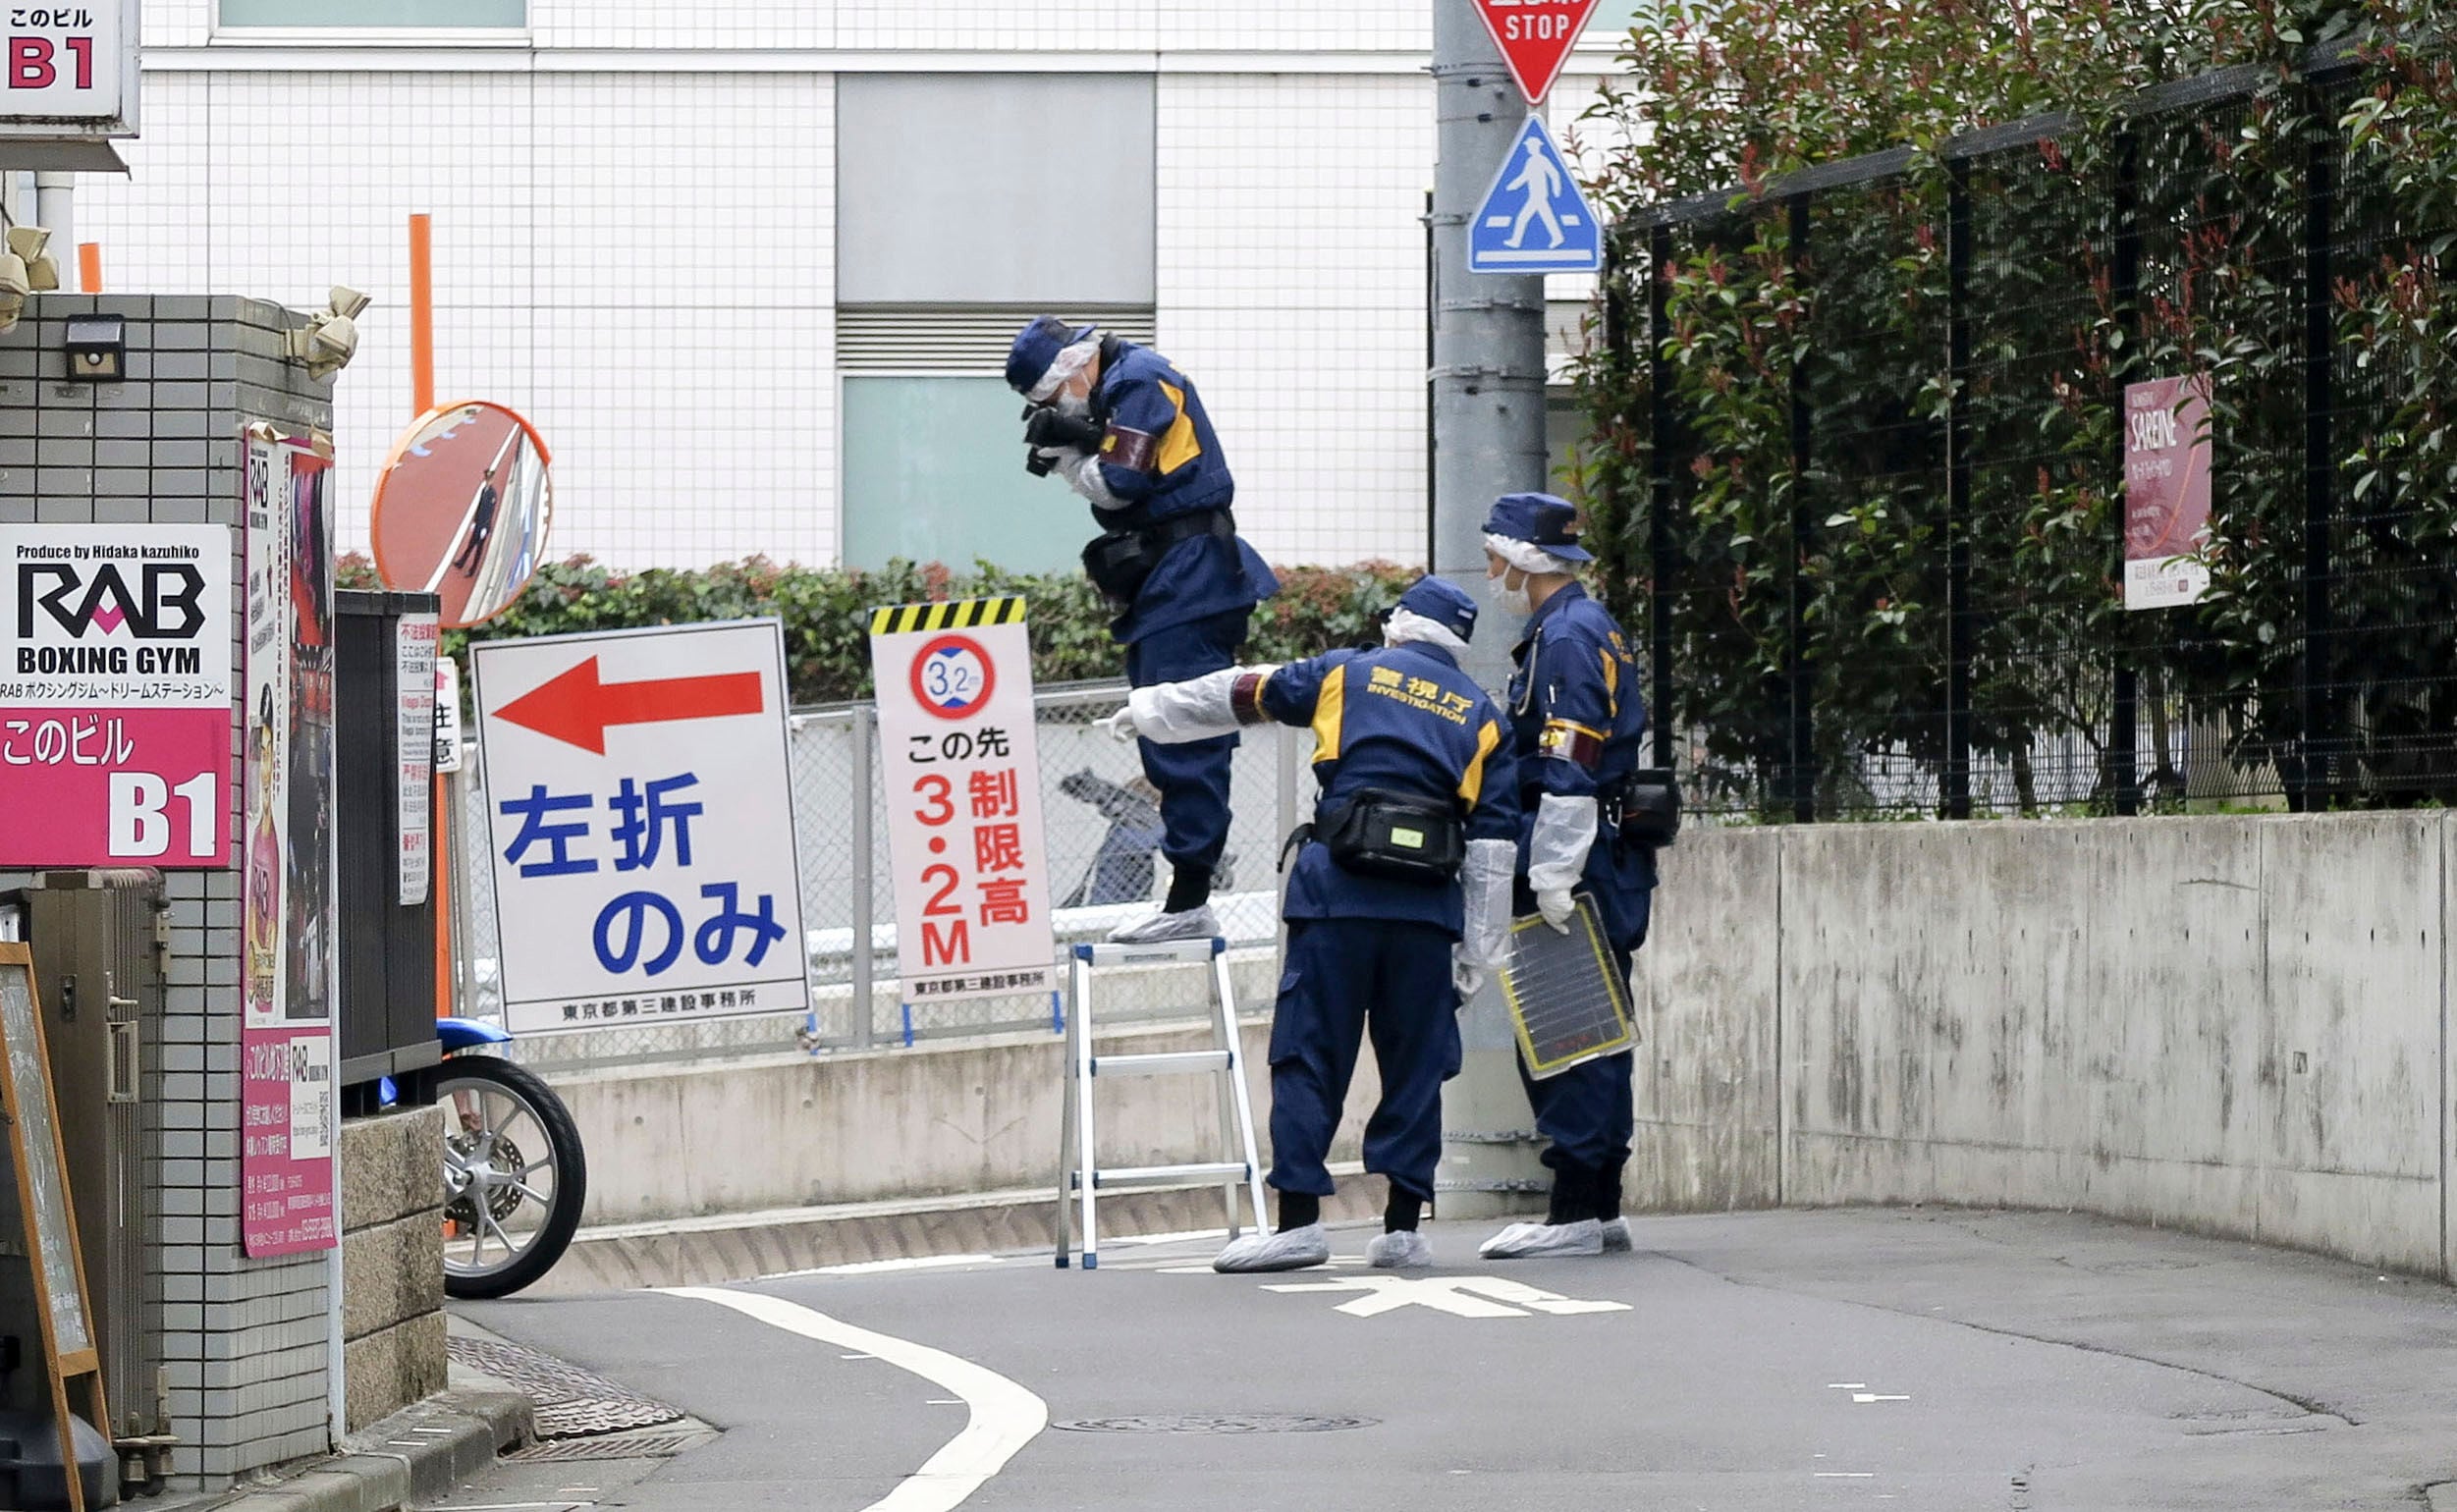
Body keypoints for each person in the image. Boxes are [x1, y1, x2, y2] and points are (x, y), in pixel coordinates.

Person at [1105, 576, 1519, 1272]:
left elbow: (1243, 693)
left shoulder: (1348, 674)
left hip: (1338, 899)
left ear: (1398, 627)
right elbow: (1492, 848)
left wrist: (1150, 711)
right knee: (1416, 1067)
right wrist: (1477, 953)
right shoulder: (1483, 716)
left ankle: (1298, 1223)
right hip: (1426, 913)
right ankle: (1402, 1229)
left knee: (1308, 1057)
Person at [1008, 315, 1280, 944]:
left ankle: (1189, 898)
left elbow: (1118, 483)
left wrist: (1072, 453)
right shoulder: (1122, 383)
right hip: (1175, 578)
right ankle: (1187, 895)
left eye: (1053, 399)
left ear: (1072, 368)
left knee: (1184, 729)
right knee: (1168, 728)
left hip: (1190, 578)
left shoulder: (1139, 379)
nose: (1058, 407)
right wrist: (1079, 442)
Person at [1473, 493, 1661, 1261]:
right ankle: (1598, 1204)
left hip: (1577, 856)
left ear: (1520, 560)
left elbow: (1570, 764)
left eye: (1495, 557)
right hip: (1601, 854)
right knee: (1595, 1030)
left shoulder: (1568, 637)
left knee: (1567, 1030)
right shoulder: (1584, 625)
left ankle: (1576, 1210)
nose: (1491, 572)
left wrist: (1551, 872)